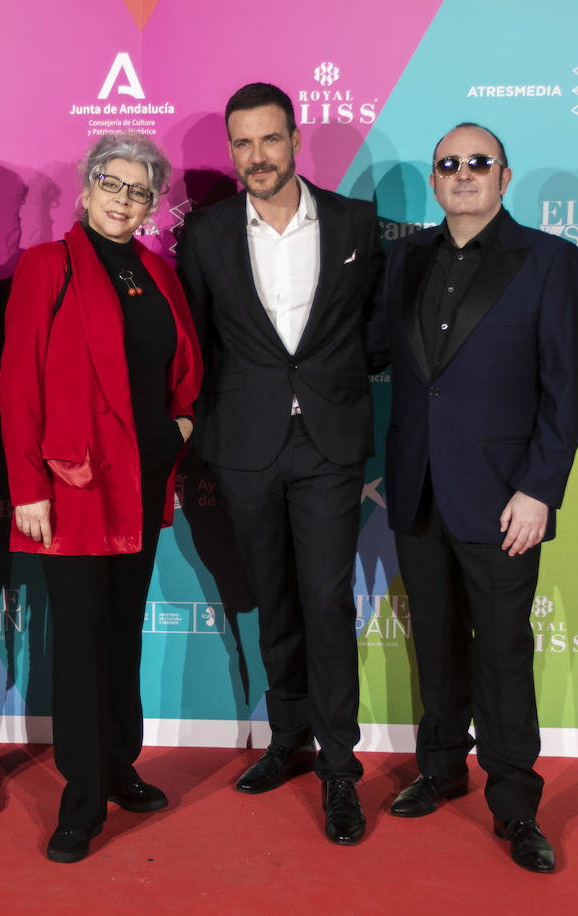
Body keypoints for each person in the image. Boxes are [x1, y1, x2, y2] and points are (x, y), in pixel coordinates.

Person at [367, 123, 578, 873]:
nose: (462, 173)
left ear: (504, 176)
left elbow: (567, 388)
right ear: (434, 182)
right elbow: (380, 358)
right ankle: (439, 768)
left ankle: (517, 806)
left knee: (501, 653)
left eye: (477, 163)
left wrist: (539, 489)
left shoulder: (549, 261)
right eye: (448, 165)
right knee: (433, 639)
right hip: (416, 487)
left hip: (504, 500)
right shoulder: (404, 258)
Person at [176, 82, 382, 844]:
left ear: (294, 139)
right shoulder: (205, 234)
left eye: (269, 140)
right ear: (231, 152)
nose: (256, 157)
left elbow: (376, 328)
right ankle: (287, 737)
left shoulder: (356, 223)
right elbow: (195, 337)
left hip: (328, 442)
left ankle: (339, 769)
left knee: (326, 599)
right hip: (244, 445)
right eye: (242, 144)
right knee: (273, 597)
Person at [0, 133, 202, 863]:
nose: (123, 200)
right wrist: (28, 488)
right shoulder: (46, 267)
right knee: (81, 645)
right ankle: (81, 801)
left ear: (152, 205)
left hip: (142, 485)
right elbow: (17, 383)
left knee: (120, 633)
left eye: (139, 191)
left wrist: (181, 426)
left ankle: (121, 766)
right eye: (112, 185)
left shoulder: (158, 271)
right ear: (85, 190)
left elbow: (184, 366)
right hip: (71, 489)